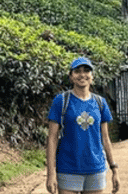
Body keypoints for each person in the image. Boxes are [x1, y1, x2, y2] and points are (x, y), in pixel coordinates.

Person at [46, 57, 120, 194]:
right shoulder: (61, 101)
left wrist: (114, 168)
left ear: (92, 76)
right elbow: (52, 138)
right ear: (71, 76)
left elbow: (105, 138)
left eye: (87, 71)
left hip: (95, 169)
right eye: (77, 71)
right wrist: (51, 174)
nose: (82, 75)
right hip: (68, 168)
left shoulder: (100, 103)